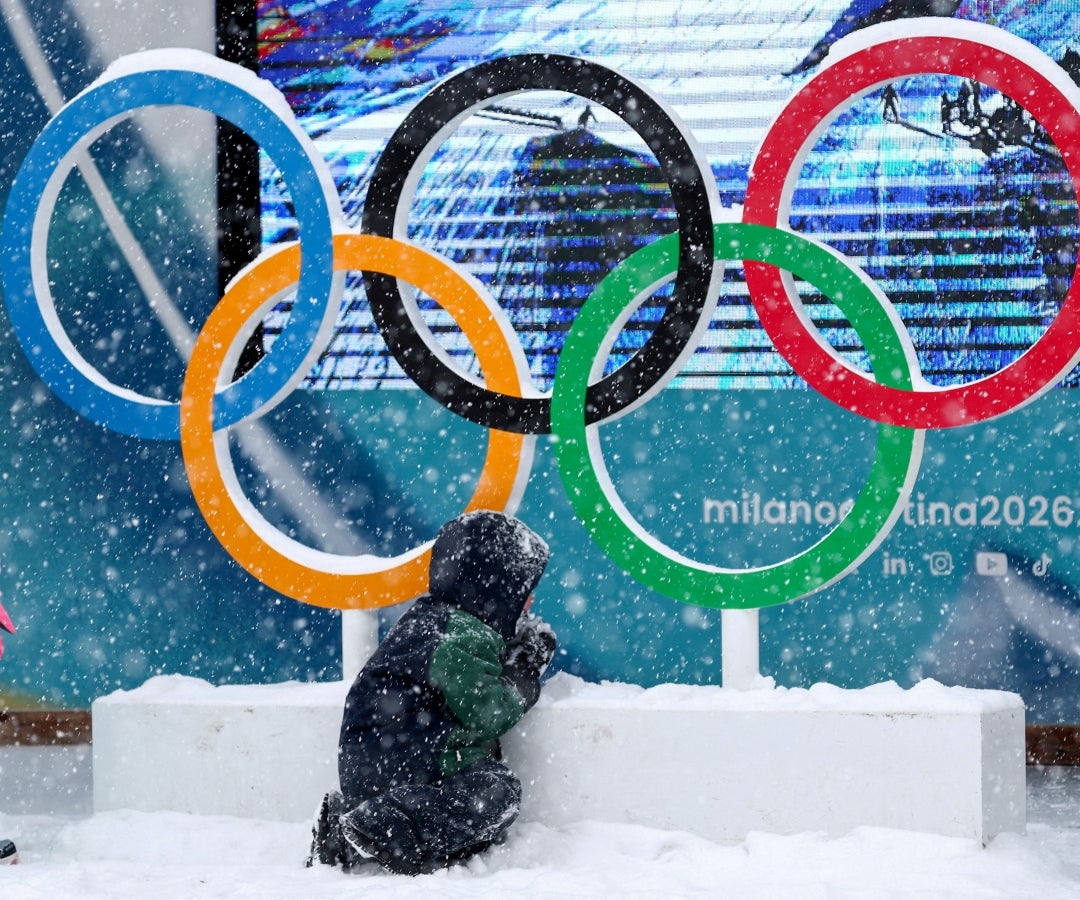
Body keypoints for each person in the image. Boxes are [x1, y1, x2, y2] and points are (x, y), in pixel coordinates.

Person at [309, 509, 556, 876]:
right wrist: (524, 671)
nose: (530, 602)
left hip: (377, 764)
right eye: (523, 592)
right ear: (494, 590)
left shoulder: (430, 622)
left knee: (470, 817)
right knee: (496, 795)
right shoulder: (458, 635)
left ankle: (358, 820)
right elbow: (487, 711)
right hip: (415, 763)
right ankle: (379, 825)